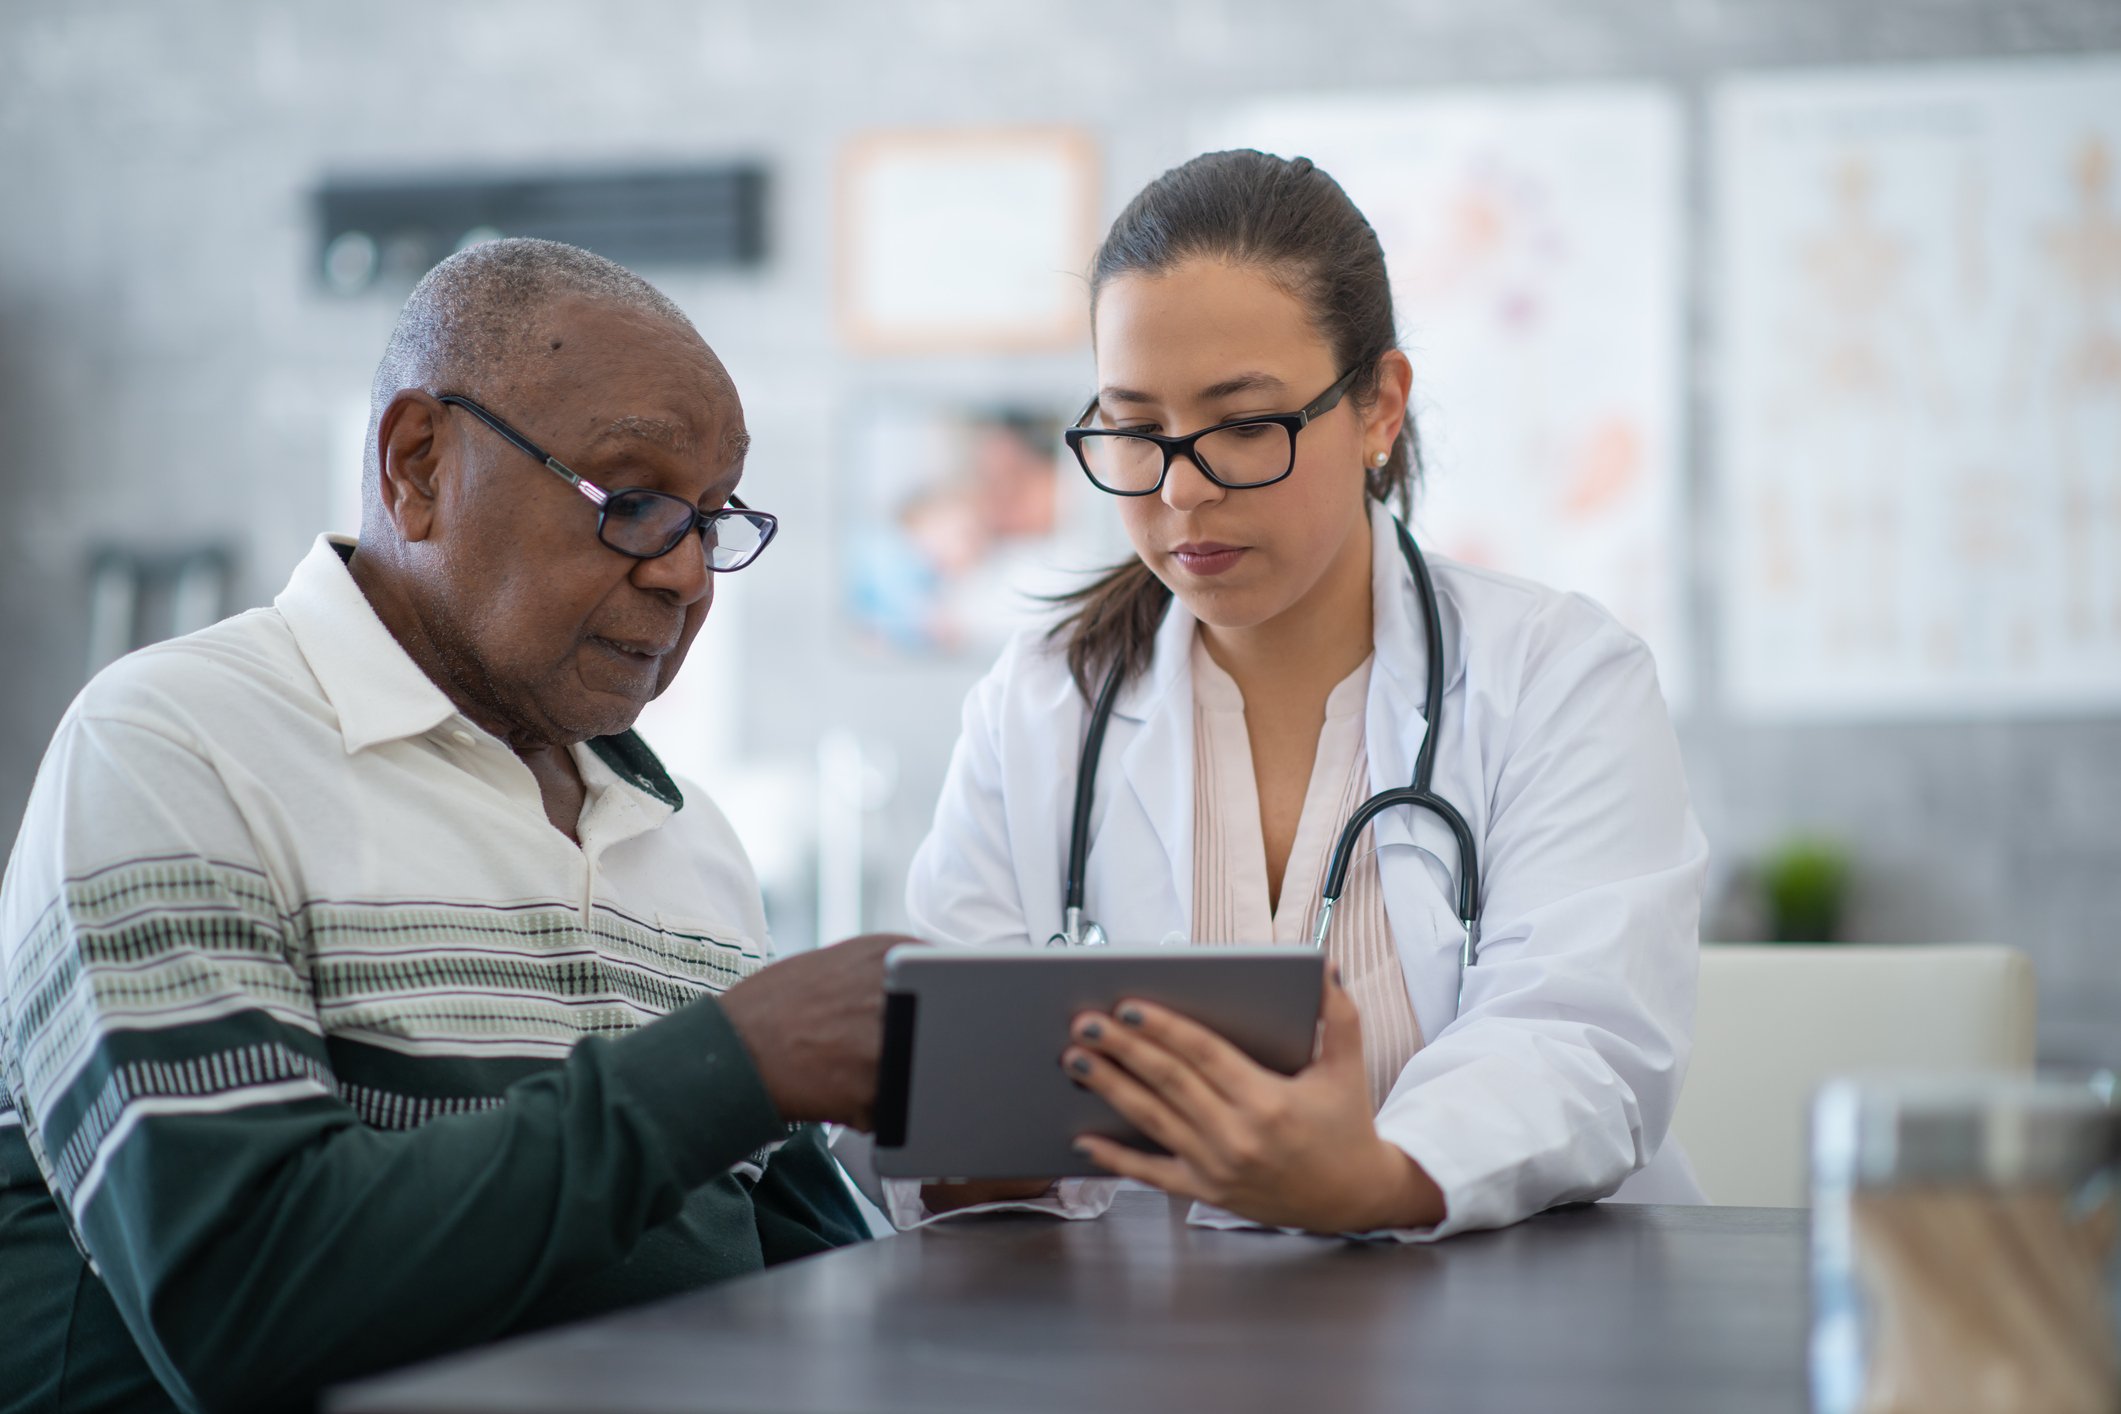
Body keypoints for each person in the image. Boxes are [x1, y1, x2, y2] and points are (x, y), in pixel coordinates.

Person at [0, 238, 904, 1414]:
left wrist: (974, 1188)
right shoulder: (177, 742)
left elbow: (785, 1260)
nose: (688, 575)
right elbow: (239, 1301)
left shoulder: (685, 842)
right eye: (632, 503)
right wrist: (731, 1064)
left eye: (712, 521)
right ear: (418, 462)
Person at [892, 151, 1708, 1240]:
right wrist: (942, 1140)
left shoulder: (1557, 676)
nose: (1181, 490)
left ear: (1378, 408)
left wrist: (1375, 1175)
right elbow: (948, 1098)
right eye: (1135, 429)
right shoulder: (1040, 704)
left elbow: (1583, 1042)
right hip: (1154, 1343)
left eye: (1242, 425)